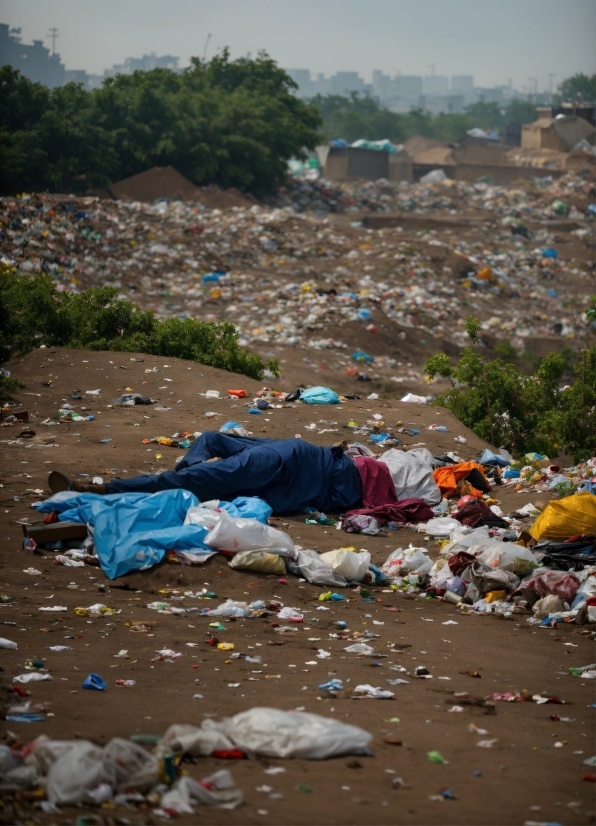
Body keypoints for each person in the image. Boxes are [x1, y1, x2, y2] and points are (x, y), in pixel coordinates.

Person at [48, 431, 363, 517]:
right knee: (203, 477)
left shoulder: (350, 479)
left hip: (292, 460)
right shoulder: (353, 477)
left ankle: (104, 489)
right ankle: (191, 473)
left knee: (202, 481)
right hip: (289, 460)